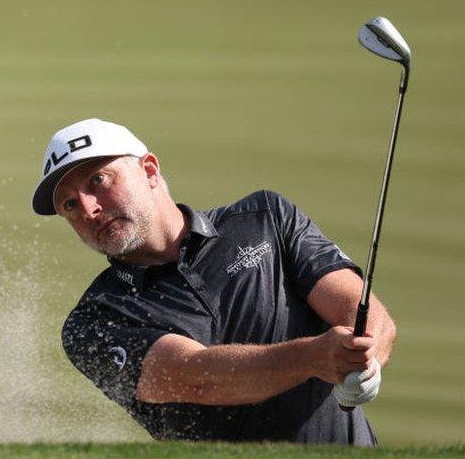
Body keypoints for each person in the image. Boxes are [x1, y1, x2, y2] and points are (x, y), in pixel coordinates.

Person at [32, 118, 396, 445]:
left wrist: (365, 358)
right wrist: (316, 357)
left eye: (98, 180)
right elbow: (196, 377)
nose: (88, 209)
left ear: (150, 170)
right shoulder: (92, 321)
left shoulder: (267, 218)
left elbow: (356, 305)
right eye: (69, 206)